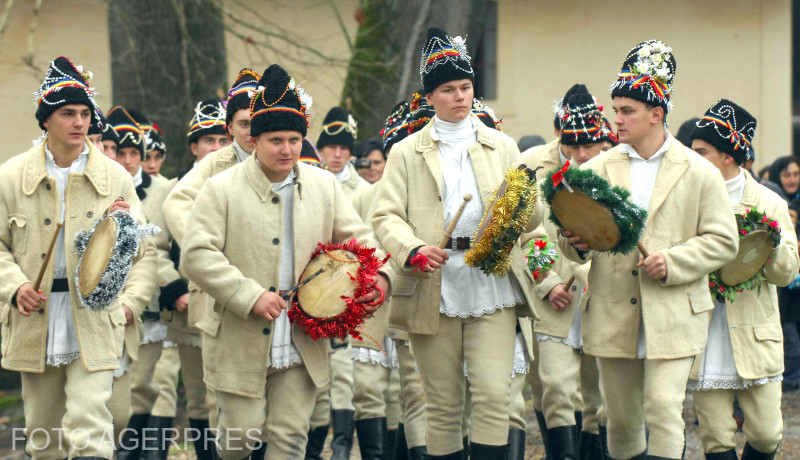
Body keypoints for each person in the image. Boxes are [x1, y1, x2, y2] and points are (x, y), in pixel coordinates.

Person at [181, 63, 391, 459]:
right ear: (254, 139)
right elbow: (196, 254)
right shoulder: (220, 188)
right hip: (239, 333)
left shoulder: (324, 185)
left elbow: (358, 238)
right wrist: (249, 295)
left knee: (291, 438)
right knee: (238, 440)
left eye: (294, 139)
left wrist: (380, 275)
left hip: (301, 335)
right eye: (276, 139)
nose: (287, 149)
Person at [559, 40, 738, 459]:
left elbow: (724, 240)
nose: (615, 119)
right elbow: (573, 247)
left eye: (626, 111)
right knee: (619, 420)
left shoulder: (699, 171)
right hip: (611, 309)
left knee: (662, 409)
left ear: (657, 114)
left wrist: (673, 261)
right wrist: (578, 244)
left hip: (674, 310)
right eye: (615, 109)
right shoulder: (595, 171)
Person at [372, 28, 543, 459]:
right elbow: (385, 215)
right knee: (443, 404)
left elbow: (532, 219)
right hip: (434, 283)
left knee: (492, 395)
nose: (460, 96)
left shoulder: (501, 145)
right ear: (430, 96)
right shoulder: (406, 152)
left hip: (491, 281)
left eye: (466, 87)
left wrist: (528, 201)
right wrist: (411, 248)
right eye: (448, 89)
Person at [0, 56, 156, 460]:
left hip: (94, 315)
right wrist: (15, 286)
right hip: (36, 317)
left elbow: (141, 245)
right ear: (46, 119)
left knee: (91, 429)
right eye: (67, 113)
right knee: (43, 435)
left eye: (85, 113)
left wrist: (119, 232)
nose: (79, 122)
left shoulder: (115, 176)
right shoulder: (10, 177)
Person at [688, 99, 798, 459]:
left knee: (767, 435)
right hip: (704, 331)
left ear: (727, 155)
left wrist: (771, 244)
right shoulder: (689, 198)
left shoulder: (769, 202)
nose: (692, 159)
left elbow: (787, 274)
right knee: (716, 438)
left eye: (701, 152)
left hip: (755, 332)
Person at [161, 68, 261, 460]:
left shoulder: (284, 152)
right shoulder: (216, 163)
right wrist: (211, 254)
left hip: (274, 291)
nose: (251, 131)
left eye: (257, 121)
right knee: (222, 396)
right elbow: (176, 204)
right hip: (221, 293)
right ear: (230, 125)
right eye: (243, 123)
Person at [525, 84, 608, 460]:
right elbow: (528, 232)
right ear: (559, 130)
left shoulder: (612, 163)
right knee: (555, 388)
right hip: (554, 294)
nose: (582, 153)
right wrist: (547, 281)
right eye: (574, 144)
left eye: (590, 144)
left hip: (600, 292)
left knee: (598, 396)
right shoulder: (531, 165)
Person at [312, 105, 368, 460]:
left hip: (348, 287)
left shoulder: (362, 188)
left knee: (345, 370)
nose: (336, 153)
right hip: (313, 285)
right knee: (315, 372)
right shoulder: (310, 178)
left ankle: (343, 444)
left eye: (344, 148)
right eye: (330, 146)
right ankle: (311, 446)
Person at [180, 98, 230, 178]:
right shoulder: (176, 187)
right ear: (194, 148)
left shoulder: (240, 182)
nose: (217, 148)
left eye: (223, 141)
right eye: (209, 141)